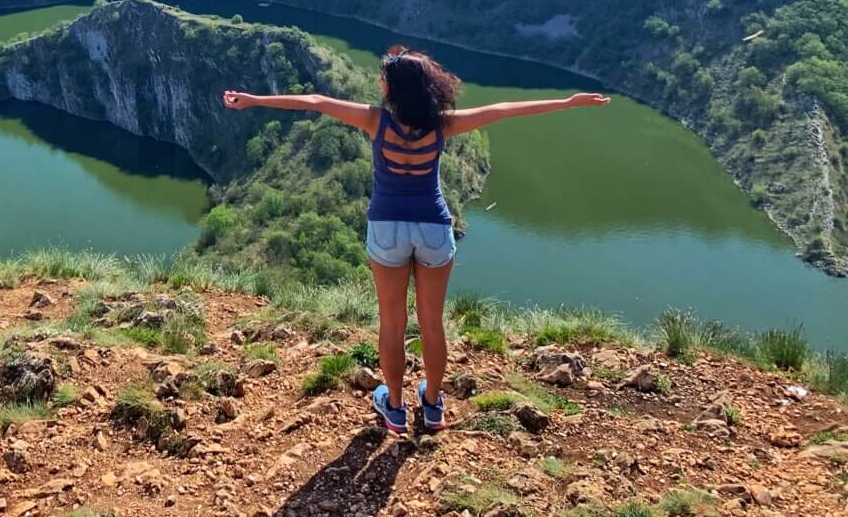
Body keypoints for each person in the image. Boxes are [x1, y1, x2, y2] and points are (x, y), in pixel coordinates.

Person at [222, 46, 609, 434]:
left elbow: (317, 101)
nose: (379, 83)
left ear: (393, 90)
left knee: (392, 324)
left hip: (387, 227)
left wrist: (254, 100)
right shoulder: (443, 124)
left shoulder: (376, 121)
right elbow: (505, 109)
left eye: (384, 79)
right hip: (433, 228)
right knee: (432, 325)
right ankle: (433, 404)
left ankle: (394, 406)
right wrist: (569, 102)